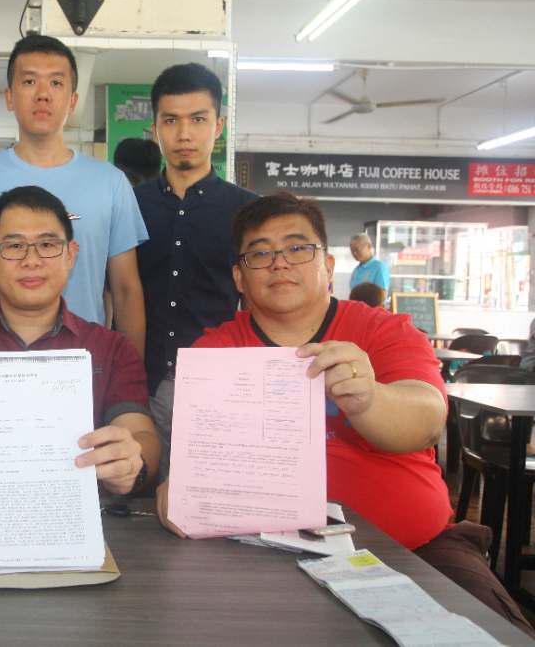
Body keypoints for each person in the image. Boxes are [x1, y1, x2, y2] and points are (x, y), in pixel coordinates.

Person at [155, 192, 534, 636]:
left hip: (414, 550)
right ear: (239, 278)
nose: (280, 263)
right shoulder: (215, 352)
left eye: (298, 248)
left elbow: (427, 418)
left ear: (328, 267)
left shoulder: (385, 331)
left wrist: (370, 399)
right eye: (261, 253)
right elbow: (197, 463)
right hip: (255, 557)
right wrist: (180, 493)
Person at [0, 186, 160, 496]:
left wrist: (134, 462)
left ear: (71, 254)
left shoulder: (112, 348)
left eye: (47, 244)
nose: (31, 260)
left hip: (82, 523)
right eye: (14, 245)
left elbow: (140, 431)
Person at [0, 34, 148, 357]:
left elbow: (126, 291)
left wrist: (131, 381)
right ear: (9, 96)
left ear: (73, 101)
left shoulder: (111, 183)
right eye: (29, 81)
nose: (43, 94)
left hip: (83, 365)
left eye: (56, 83)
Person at [135, 63, 256, 472]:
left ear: (218, 125)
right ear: (155, 128)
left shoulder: (248, 211)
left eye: (198, 120)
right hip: (140, 386)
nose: (184, 134)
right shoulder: (130, 205)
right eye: (171, 120)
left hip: (220, 389)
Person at [349, 232, 390, 297]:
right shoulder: (356, 270)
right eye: (352, 250)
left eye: (357, 249)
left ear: (368, 246)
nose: (355, 253)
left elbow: (382, 295)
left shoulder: (379, 267)